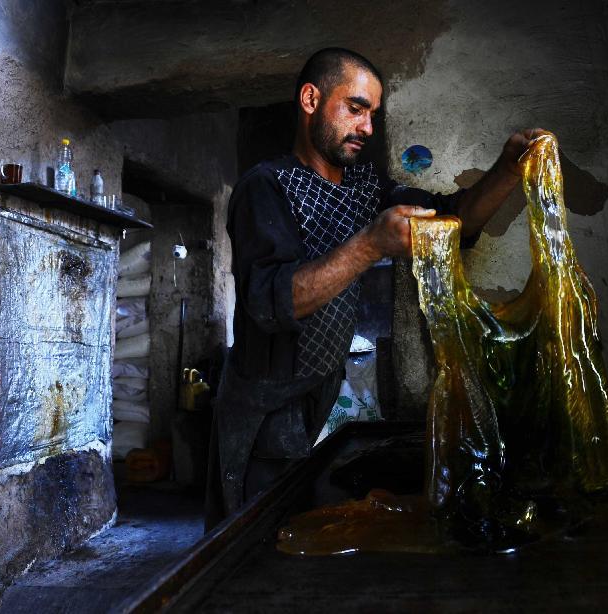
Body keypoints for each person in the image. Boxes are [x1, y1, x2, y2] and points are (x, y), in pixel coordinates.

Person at [206, 47, 545, 523]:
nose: (367, 127)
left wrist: (509, 169)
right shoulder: (266, 187)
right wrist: (370, 245)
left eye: (372, 114)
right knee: (253, 535)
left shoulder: (365, 188)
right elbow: (269, 301)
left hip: (315, 395)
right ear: (310, 99)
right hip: (263, 409)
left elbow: (453, 222)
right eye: (355, 108)